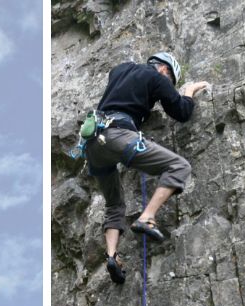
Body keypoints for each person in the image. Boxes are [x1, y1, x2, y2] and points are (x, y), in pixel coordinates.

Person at [83, 52, 210, 284]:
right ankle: (147, 217)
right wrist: (188, 93)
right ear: (164, 70)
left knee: (114, 204)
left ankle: (112, 256)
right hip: (118, 135)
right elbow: (181, 111)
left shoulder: (120, 69)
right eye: (170, 80)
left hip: (93, 144)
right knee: (178, 166)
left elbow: (127, 92)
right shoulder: (158, 78)